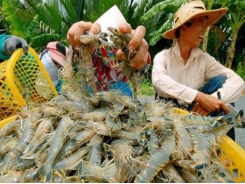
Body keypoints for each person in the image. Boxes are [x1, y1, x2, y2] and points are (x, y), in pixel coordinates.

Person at [152, 1, 245, 140]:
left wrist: (212, 101)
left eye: (205, 25)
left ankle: (225, 148)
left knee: (221, 82)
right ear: (184, 29)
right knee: (165, 98)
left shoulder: (204, 59)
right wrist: (200, 97)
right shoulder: (164, 56)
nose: (204, 30)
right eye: (201, 24)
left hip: (196, 113)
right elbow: (159, 81)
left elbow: (238, 81)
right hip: (169, 116)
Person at [67, 5, 151, 97]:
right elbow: (75, 55)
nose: (109, 49)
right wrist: (76, 42)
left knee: (124, 91)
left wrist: (140, 53)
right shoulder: (92, 50)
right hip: (93, 89)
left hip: (121, 92)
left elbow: (142, 65)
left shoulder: (124, 52)